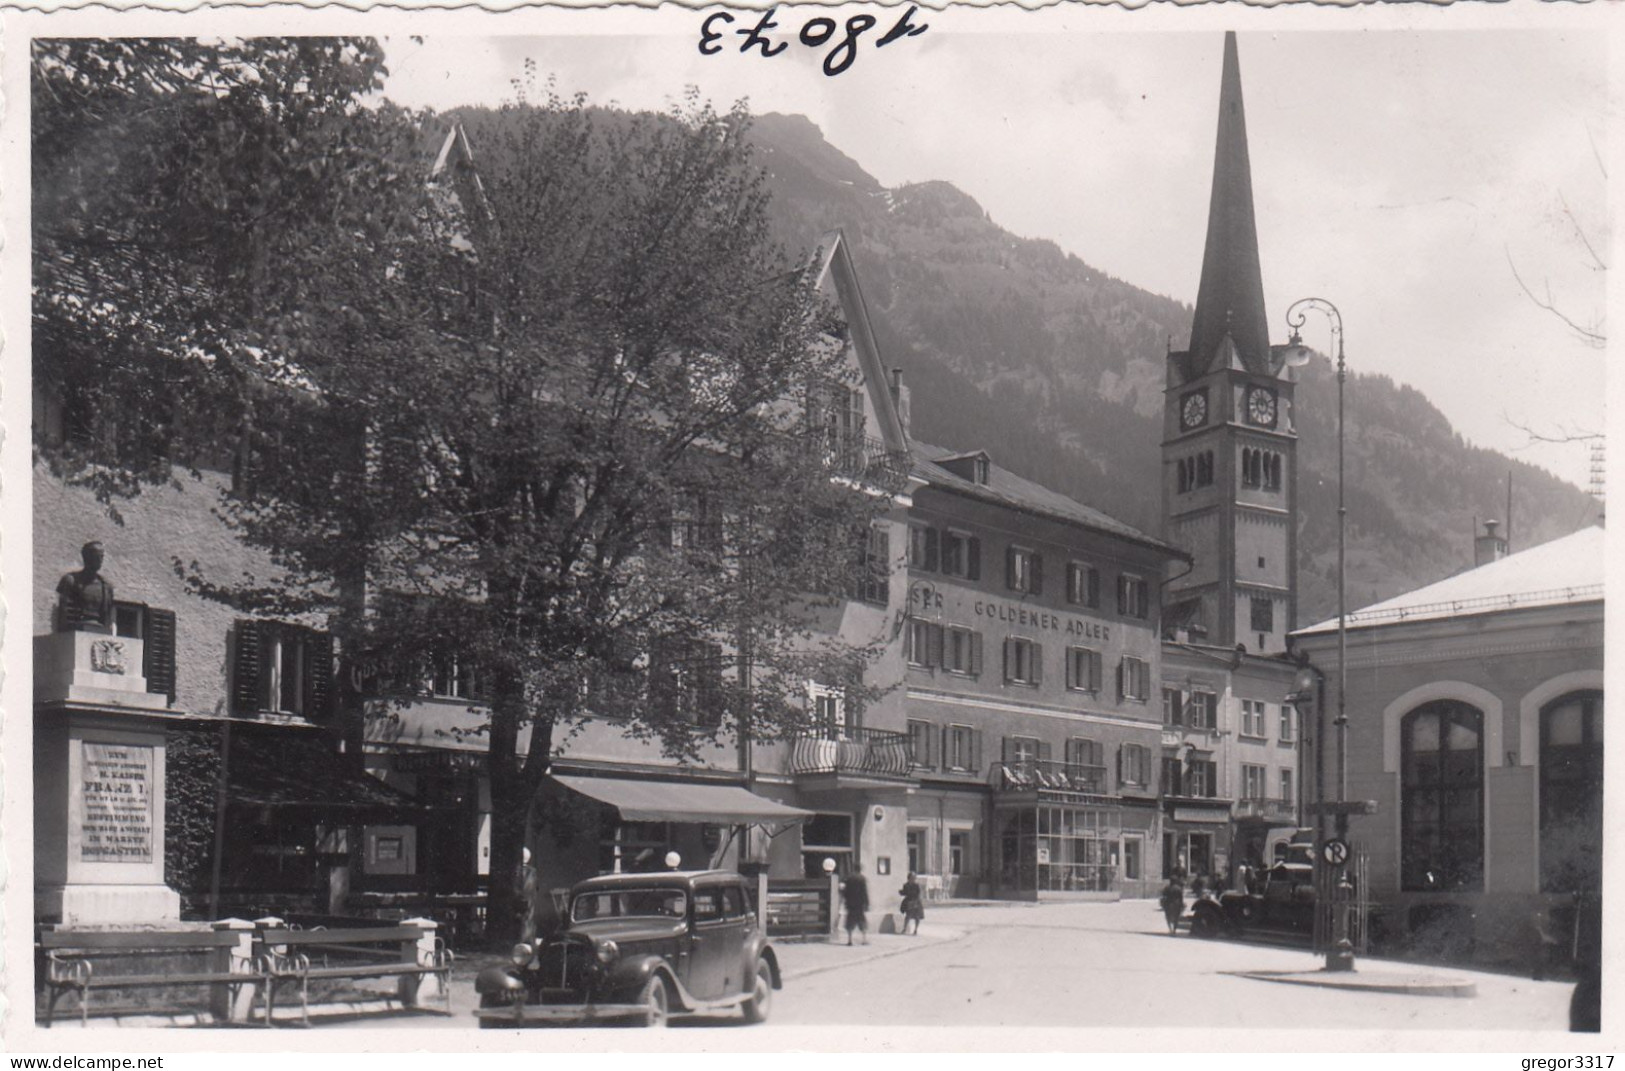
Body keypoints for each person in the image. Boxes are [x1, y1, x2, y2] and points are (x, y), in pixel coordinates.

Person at [56, 540, 115, 633]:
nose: (100, 560)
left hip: (98, 630)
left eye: (101, 556)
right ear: (86, 557)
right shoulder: (70, 581)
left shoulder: (106, 587)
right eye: (96, 556)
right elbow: (63, 614)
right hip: (75, 631)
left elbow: (107, 617)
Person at [841, 863, 870, 946]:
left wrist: (845, 901)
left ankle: (850, 940)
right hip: (859, 903)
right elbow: (864, 892)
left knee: (850, 921)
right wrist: (866, 903)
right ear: (860, 869)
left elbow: (845, 891)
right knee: (861, 921)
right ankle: (864, 940)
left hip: (850, 903)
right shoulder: (862, 879)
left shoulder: (849, 878)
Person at [898, 872, 925, 936]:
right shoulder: (906, 885)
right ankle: (904, 928)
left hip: (916, 901)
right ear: (909, 878)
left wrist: (910, 894)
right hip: (909, 902)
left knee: (917, 916)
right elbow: (905, 893)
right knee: (908, 915)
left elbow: (917, 893)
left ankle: (915, 929)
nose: (913, 879)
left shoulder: (916, 885)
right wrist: (901, 892)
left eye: (914, 878)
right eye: (911, 878)